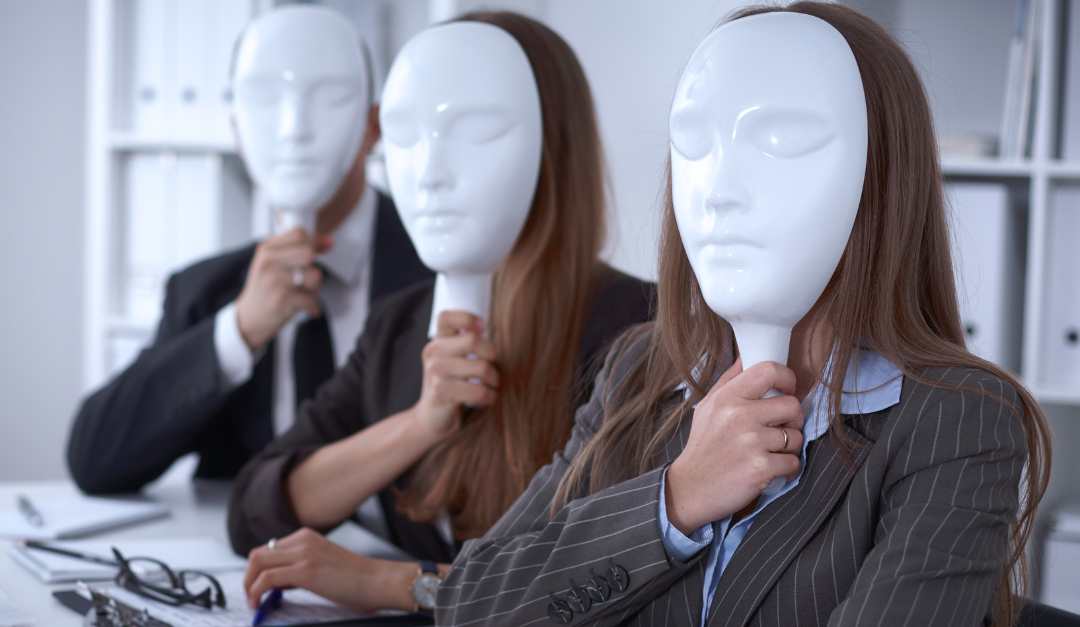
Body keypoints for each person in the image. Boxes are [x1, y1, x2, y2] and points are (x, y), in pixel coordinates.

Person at [434, 4, 1051, 627]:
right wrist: (673, 503)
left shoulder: (958, 417)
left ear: (880, 174)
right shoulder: (639, 369)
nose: (719, 190)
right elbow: (469, 602)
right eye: (694, 142)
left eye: (782, 142)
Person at [228, 11, 656, 615]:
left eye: (475, 131)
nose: (429, 174)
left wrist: (394, 583)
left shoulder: (639, 330)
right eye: (405, 134)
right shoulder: (399, 326)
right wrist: (418, 425)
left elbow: (612, 573)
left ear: (551, 147)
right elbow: (255, 510)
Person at [67, 6, 432, 495]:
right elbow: (94, 460)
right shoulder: (205, 292)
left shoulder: (439, 267)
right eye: (264, 99)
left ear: (373, 127)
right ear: (237, 130)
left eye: (330, 98)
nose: (294, 128)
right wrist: (236, 332)